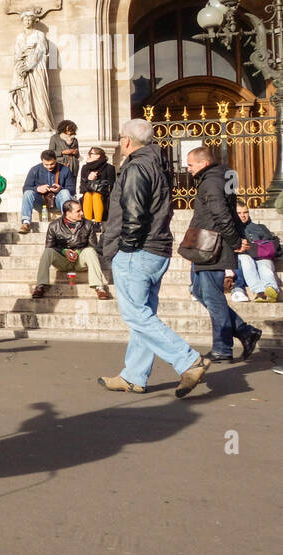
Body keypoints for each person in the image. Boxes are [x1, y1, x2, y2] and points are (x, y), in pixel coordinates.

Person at [99, 118, 209, 396]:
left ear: (126, 140)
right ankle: (134, 375)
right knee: (144, 313)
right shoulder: (158, 163)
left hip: (138, 250)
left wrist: (124, 246)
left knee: (136, 315)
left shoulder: (136, 167)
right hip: (157, 247)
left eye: (121, 137)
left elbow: (134, 215)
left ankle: (188, 360)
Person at [185, 146, 261, 364]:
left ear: (203, 163)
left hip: (212, 246)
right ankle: (245, 331)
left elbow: (222, 215)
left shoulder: (211, 182)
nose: (188, 169)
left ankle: (222, 348)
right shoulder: (220, 178)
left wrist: (235, 242)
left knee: (212, 296)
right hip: (208, 244)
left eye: (190, 165)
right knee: (199, 291)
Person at [31, 199, 110, 300]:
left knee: (90, 251)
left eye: (81, 210)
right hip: (63, 261)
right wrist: (64, 251)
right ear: (68, 213)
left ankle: (100, 288)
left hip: (80, 261)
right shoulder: (54, 226)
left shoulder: (88, 224)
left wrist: (78, 252)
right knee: (48, 252)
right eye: (78, 211)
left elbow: (93, 246)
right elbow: (49, 246)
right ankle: (40, 286)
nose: (82, 213)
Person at [230, 203, 280, 303]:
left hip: (261, 256)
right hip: (244, 257)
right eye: (239, 213)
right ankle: (260, 292)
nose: (243, 215)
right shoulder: (231, 229)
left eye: (245, 212)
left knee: (265, 263)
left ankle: (272, 289)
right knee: (245, 260)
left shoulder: (260, 227)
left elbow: (269, 244)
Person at [19, 149, 75, 233]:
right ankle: (26, 222)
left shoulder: (65, 170)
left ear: (55, 160)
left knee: (65, 192)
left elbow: (72, 190)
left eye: (52, 164)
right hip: (40, 202)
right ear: (42, 161)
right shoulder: (34, 170)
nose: (49, 167)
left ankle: (68, 222)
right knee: (28, 193)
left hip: (58, 202)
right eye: (46, 164)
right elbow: (25, 188)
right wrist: (37, 189)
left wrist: (60, 189)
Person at [78, 147, 115, 223]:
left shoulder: (109, 168)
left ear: (98, 156)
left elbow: (112, 186)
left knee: (96, 195)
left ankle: (98, 223)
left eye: (90, 154)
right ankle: (87, 223)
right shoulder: (85, 168)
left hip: (104, 197)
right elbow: (82, 188)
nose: (88, 156)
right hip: (87, 196)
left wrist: (97, 180)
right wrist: (89, 179)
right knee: (88, 195)